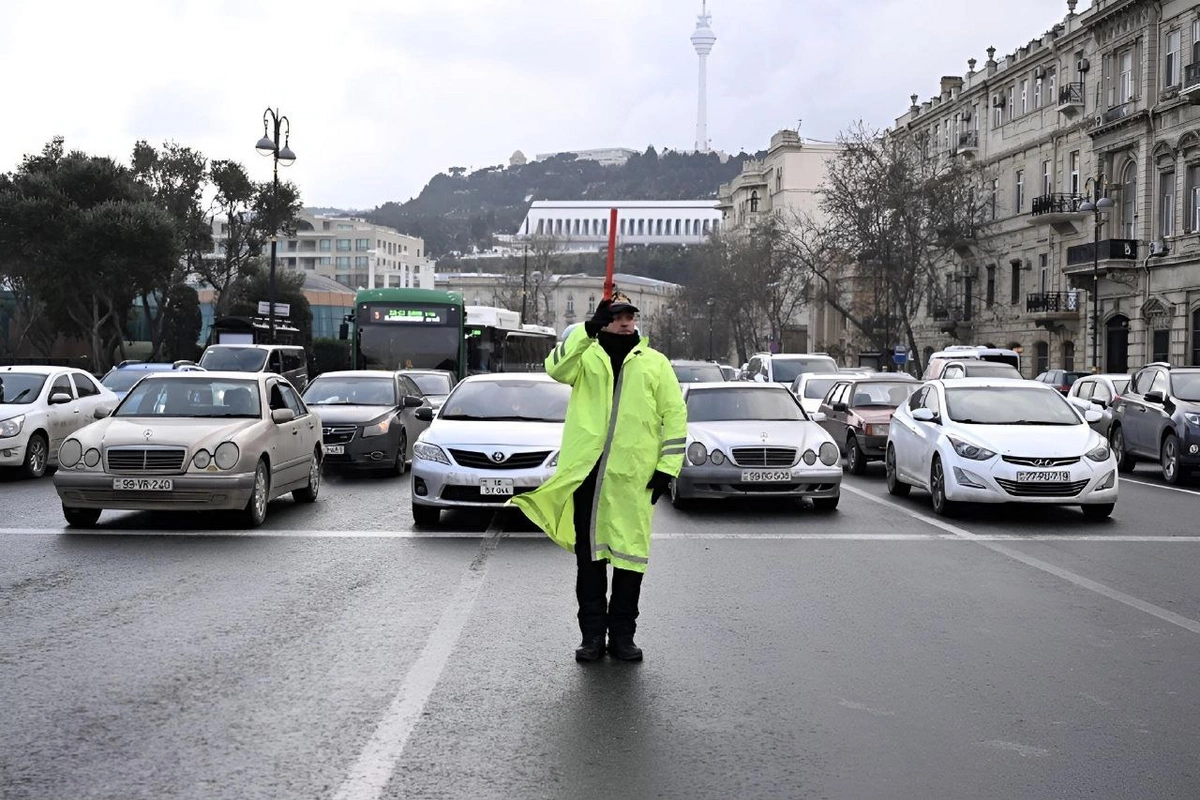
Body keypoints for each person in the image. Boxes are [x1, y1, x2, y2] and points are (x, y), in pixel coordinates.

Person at [512, 292, 687, 663]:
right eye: (617, 315)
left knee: (630, 560)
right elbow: (554, 368)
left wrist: (666, 469)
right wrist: (585, 331)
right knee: (589, 562)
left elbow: (675, 416)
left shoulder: (655, 363)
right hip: (589, 475)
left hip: (634, 480)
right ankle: (592, 636)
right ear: (605, 319)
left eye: (630, 315)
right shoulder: (585, 357)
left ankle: (623, 636)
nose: (626, 322)